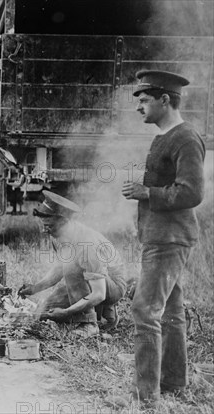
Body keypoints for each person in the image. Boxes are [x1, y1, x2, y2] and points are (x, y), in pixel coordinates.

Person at [121, 70, 205, 405]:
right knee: (170, 311)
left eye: (144, 100)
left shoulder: (185, 139)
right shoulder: (165, 136)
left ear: (165, 100)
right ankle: (173, 382)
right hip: (160, 236)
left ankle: (147, 399)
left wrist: (146, 192)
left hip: (169, 240)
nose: (139, 107)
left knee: (144, 310)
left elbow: (192, 192)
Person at [19, 191, 127, 338]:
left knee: (72, 268)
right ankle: (105, 313)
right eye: (43, 226)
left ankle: (89, 324)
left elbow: (99, 293)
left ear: (64, 222)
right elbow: (58, 269)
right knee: (45, 310)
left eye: (49, 226)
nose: (45, 231)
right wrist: (34, 289)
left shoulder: (86, 244)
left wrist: (66, 312)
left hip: (113, 284)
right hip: (95, 281)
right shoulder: (58, 235)